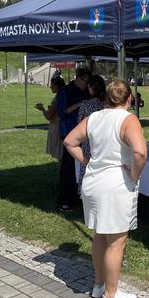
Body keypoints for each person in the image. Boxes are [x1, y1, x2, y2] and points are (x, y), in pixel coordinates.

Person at [64, 81, 147, 298]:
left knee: (100, 235)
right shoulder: (128, 119)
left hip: (93, 182)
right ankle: (110, 294)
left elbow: (70, 141)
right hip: (115, 184)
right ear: (129, 98)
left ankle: (99, 285)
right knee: (117, 241)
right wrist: (135, 173)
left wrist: (86, 161)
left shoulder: (94, 117)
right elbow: (140, 151)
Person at [56, 67, 91, 211]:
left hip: (84, 134)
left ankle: (78, 197)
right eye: (86, 81)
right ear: (79, 78)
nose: (87, 85)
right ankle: (65, 200)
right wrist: (80, 104)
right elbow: (62, 112)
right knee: (68, 167)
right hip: (69, 133)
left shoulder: (85, 91)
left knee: (82, 167)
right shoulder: (65, 91)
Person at [76, 75, 107, 191]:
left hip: (89, 142)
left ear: (92, 87)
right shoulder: (107, 104)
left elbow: (79, 124)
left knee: (87, 172)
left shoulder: (86, 105)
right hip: (104, 143)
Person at [36, 75, 66, 161]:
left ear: (57, 86)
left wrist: (42, 109)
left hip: (57, 128)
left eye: (52, 85)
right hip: (61, 126)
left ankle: (62, 173)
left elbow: (49, 116)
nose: (50, 87)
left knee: (60, 155)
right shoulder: (63, 96)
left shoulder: (57, 99)